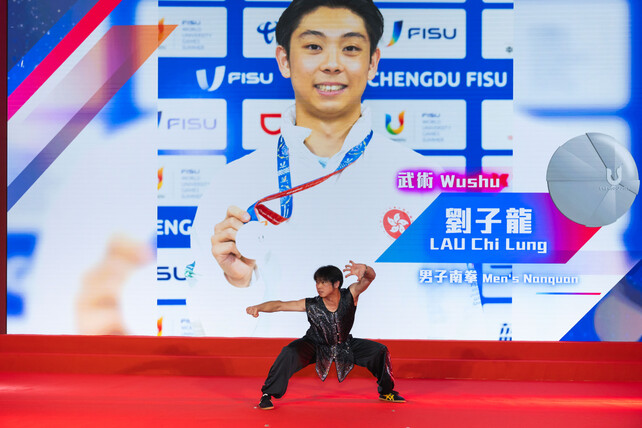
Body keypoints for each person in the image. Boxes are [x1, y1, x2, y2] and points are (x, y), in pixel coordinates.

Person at [189, 0, 483, 339]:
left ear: (373, 62)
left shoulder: (426, 182)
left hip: (389, 384)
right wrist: (235, 283)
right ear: (284, 60)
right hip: (279, 384)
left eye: (350, 48)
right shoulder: (234, 182)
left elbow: (461, 320)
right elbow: (206, 326)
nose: (332, 64)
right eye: (314, 46)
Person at [246, 261, 405, 410]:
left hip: (344, 344)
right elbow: (280, 305)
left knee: (379, 351)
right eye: (317, 282)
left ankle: (386, 391)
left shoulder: (351, 294)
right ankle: (267, 394)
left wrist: (365, 269)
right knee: (289, 352)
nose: (318, 286)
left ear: (336, 284)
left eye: (323, 282)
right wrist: (258, 307)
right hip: (314, 344)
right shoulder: (312, 304)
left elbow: (369, 278)